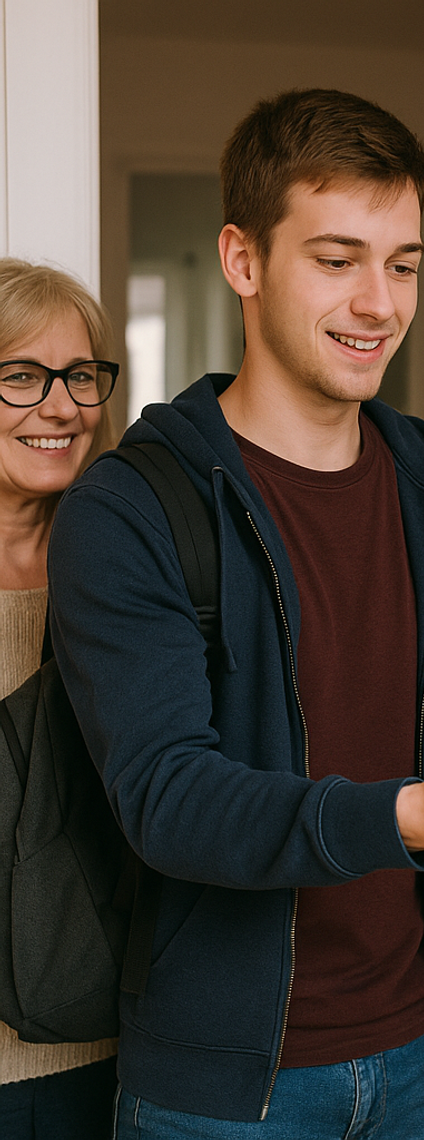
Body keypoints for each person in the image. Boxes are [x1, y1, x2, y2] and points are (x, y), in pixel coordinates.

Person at [46, 89, 424, 1140]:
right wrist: (407, 814)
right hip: (223, 1093)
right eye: (336, 258)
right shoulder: (132, 505)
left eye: (402, 264)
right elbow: (168, 798)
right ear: (242, 259)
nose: (379, 302)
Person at [0, 258, 118, 1137]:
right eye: (19, 377)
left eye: (80, 376)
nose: (61, 406)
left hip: (104, 1041)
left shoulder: (127, 576)